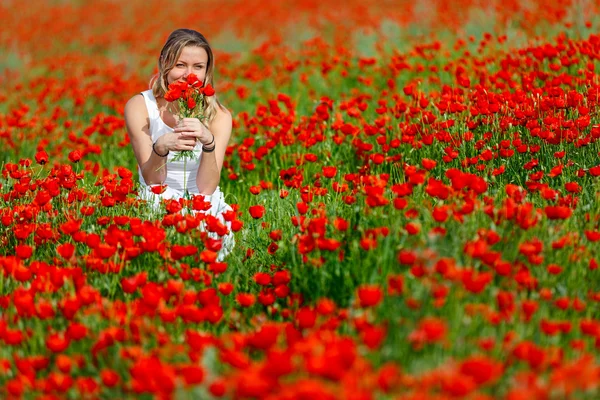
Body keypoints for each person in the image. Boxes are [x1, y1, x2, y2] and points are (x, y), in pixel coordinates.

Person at [124, 28, 234, 260]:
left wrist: (208, 143)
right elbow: (153, 181)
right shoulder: (141, 106)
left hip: (201, 200)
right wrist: (161, 147)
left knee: (209, 240)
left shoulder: (220, 116)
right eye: (180, 65)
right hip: (158, 196)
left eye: (198, 67)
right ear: (164, 63)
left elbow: (207, 188)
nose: (188, 75)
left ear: (207, 71)